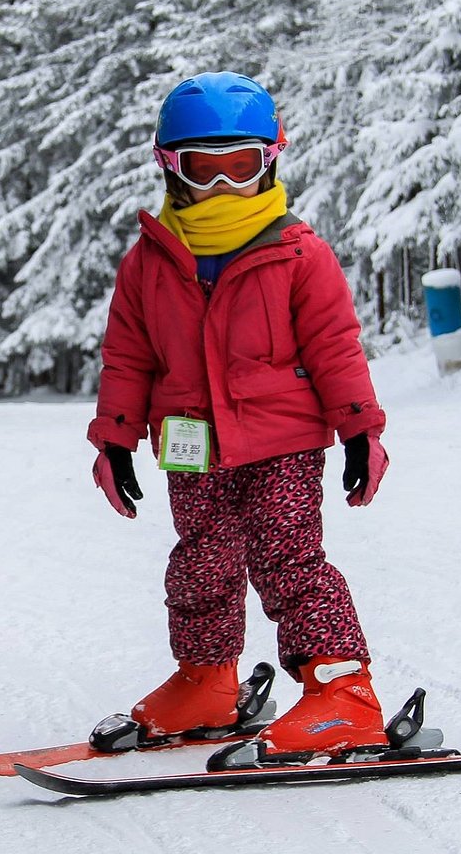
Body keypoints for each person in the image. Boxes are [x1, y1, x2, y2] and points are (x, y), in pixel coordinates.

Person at [87, 71, 391, 756]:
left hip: (281, 444)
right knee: (201, 564)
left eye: (240, 166)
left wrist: (361, 432)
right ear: (171, 168)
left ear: (270, 160)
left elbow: (337, 346)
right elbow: (127, 356)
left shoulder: (298, 253)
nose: (225, 186)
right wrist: (114, 439)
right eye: (206, 168)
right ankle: (208, 680)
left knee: (289, 562)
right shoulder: (150, 261)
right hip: (192, 447)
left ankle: (343, 691)